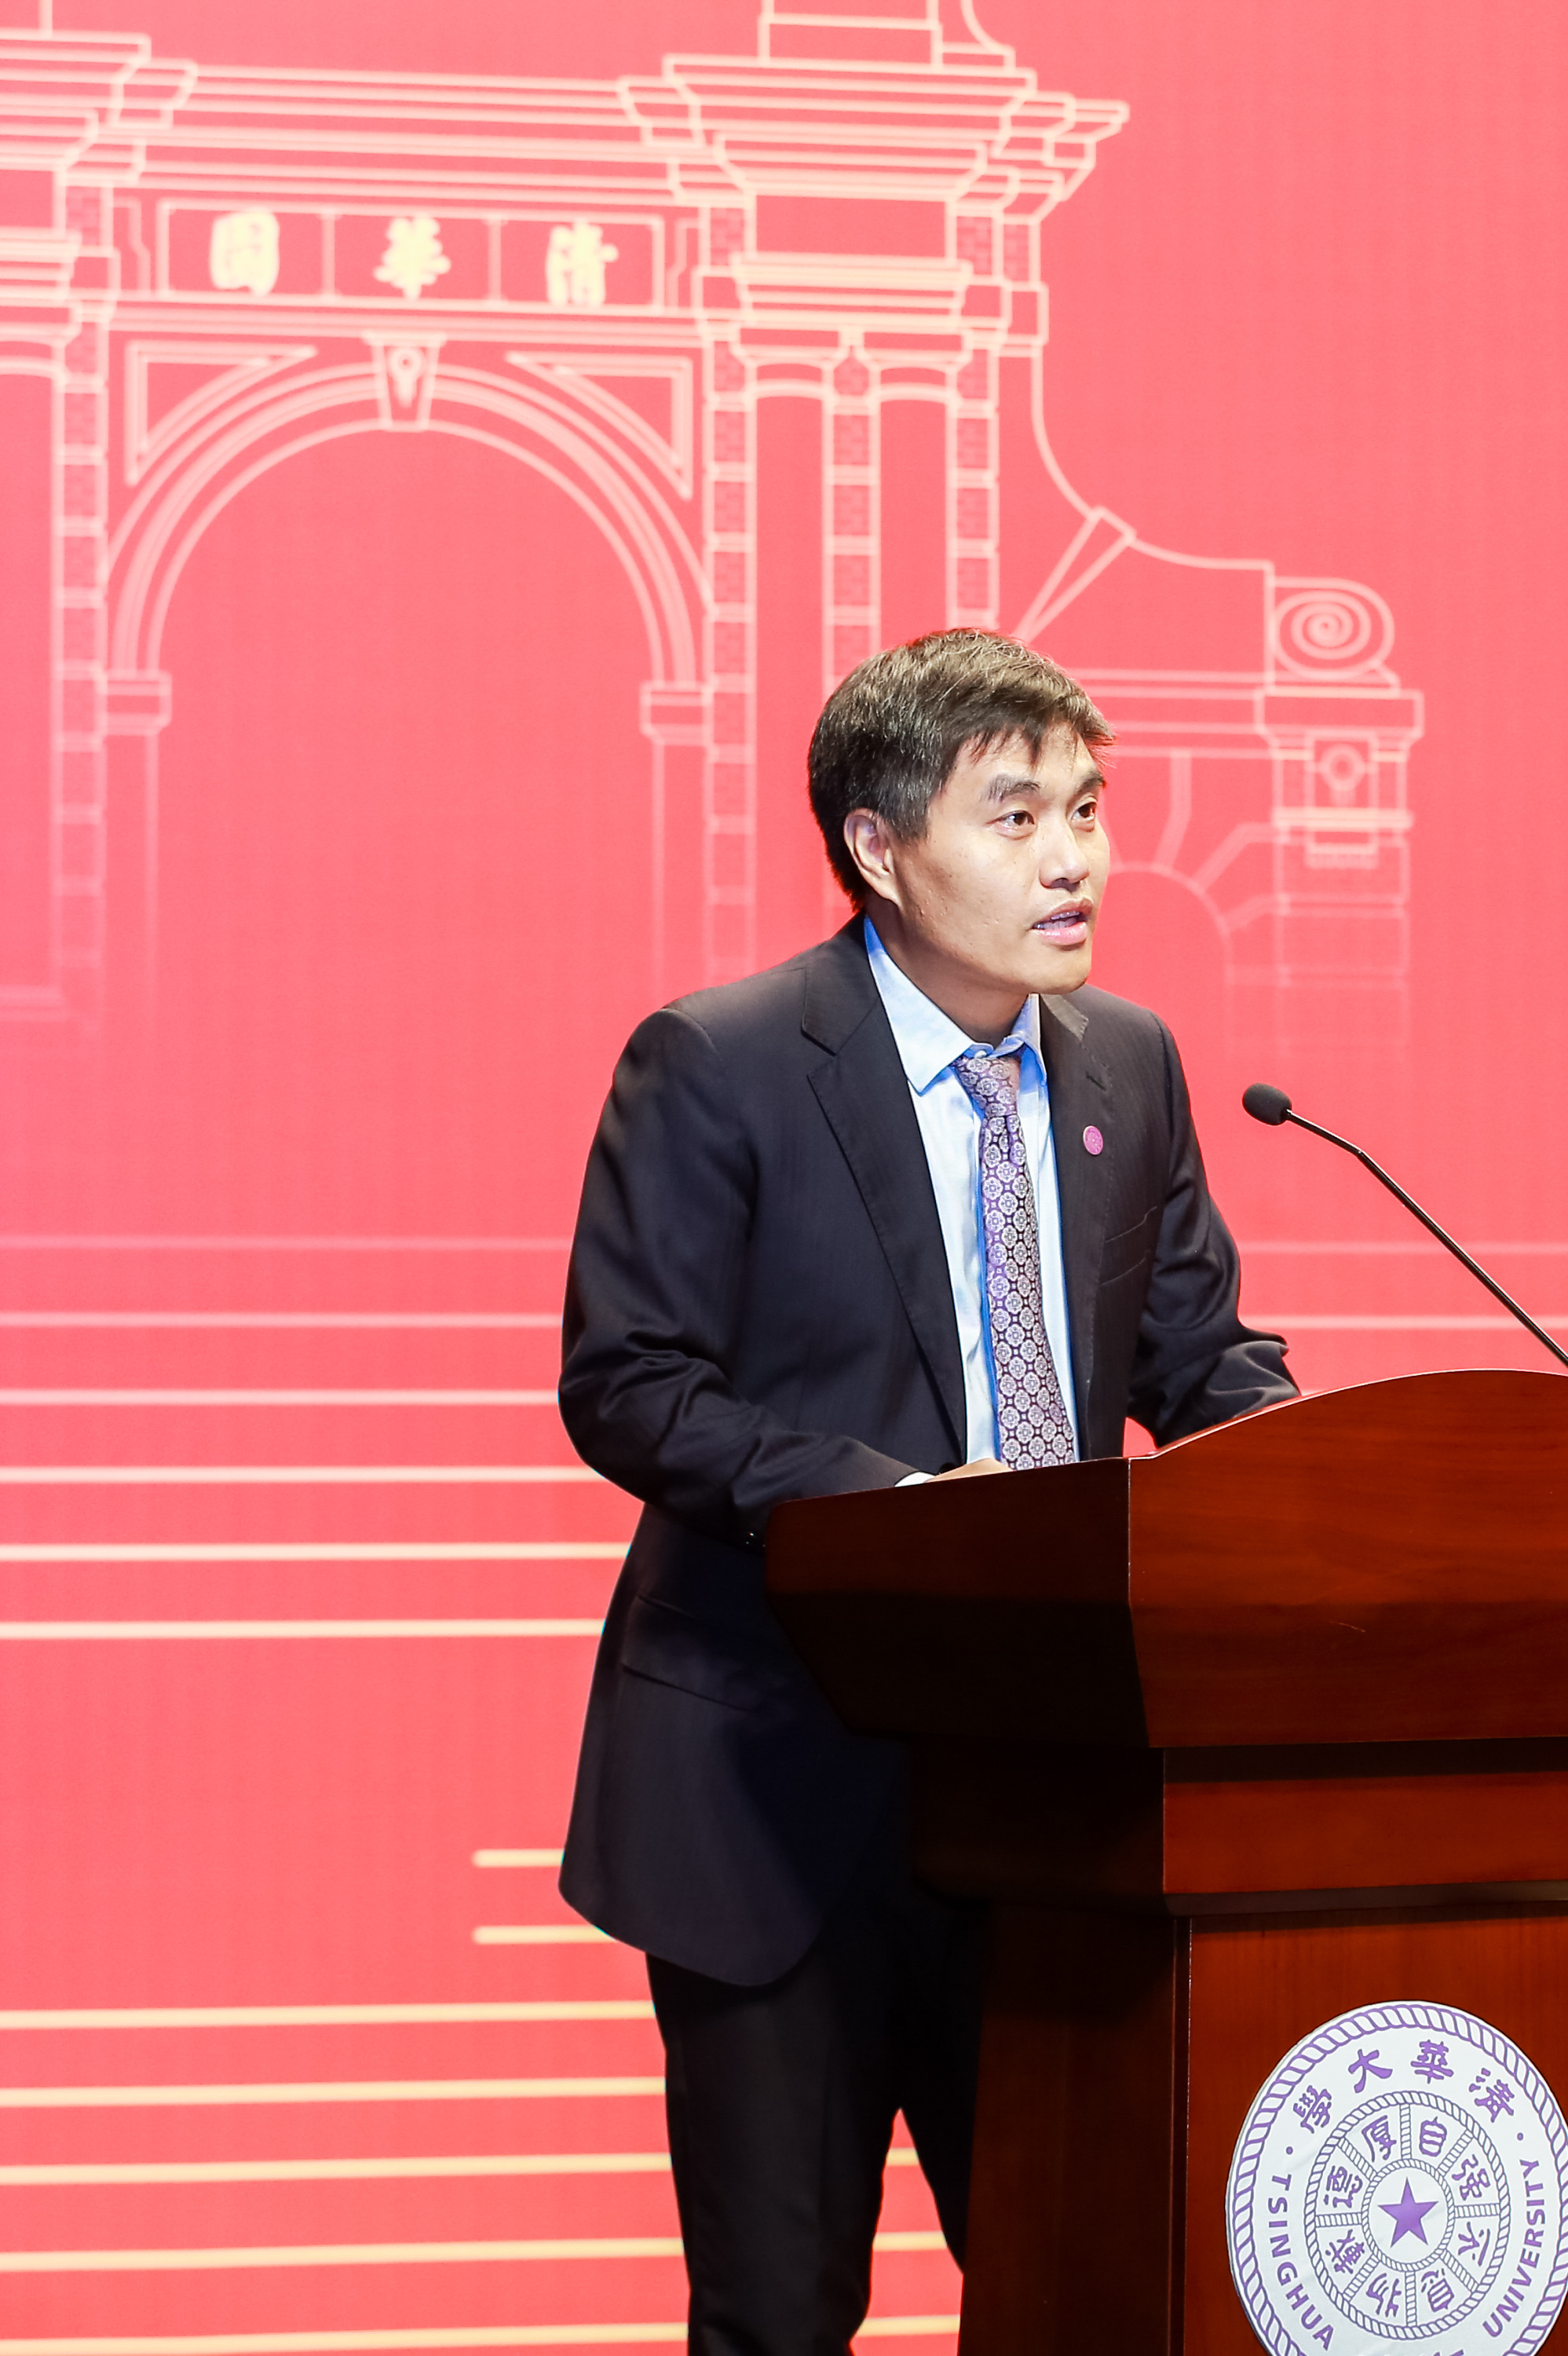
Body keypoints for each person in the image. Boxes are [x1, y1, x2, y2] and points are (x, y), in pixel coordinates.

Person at [554, 628, 1296, 2354]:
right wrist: (901, 1506)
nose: (1074, 858)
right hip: (778, 1791)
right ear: (880, 849)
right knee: (781, 2319)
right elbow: (630, 1381)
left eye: (1089, 809)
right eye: (1017, 815)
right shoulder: (723, 1060)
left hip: (1050, 1800)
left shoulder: (1127, 1062)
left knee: (1077, 2296)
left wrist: (1321, 1491)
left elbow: (1201, 1362)